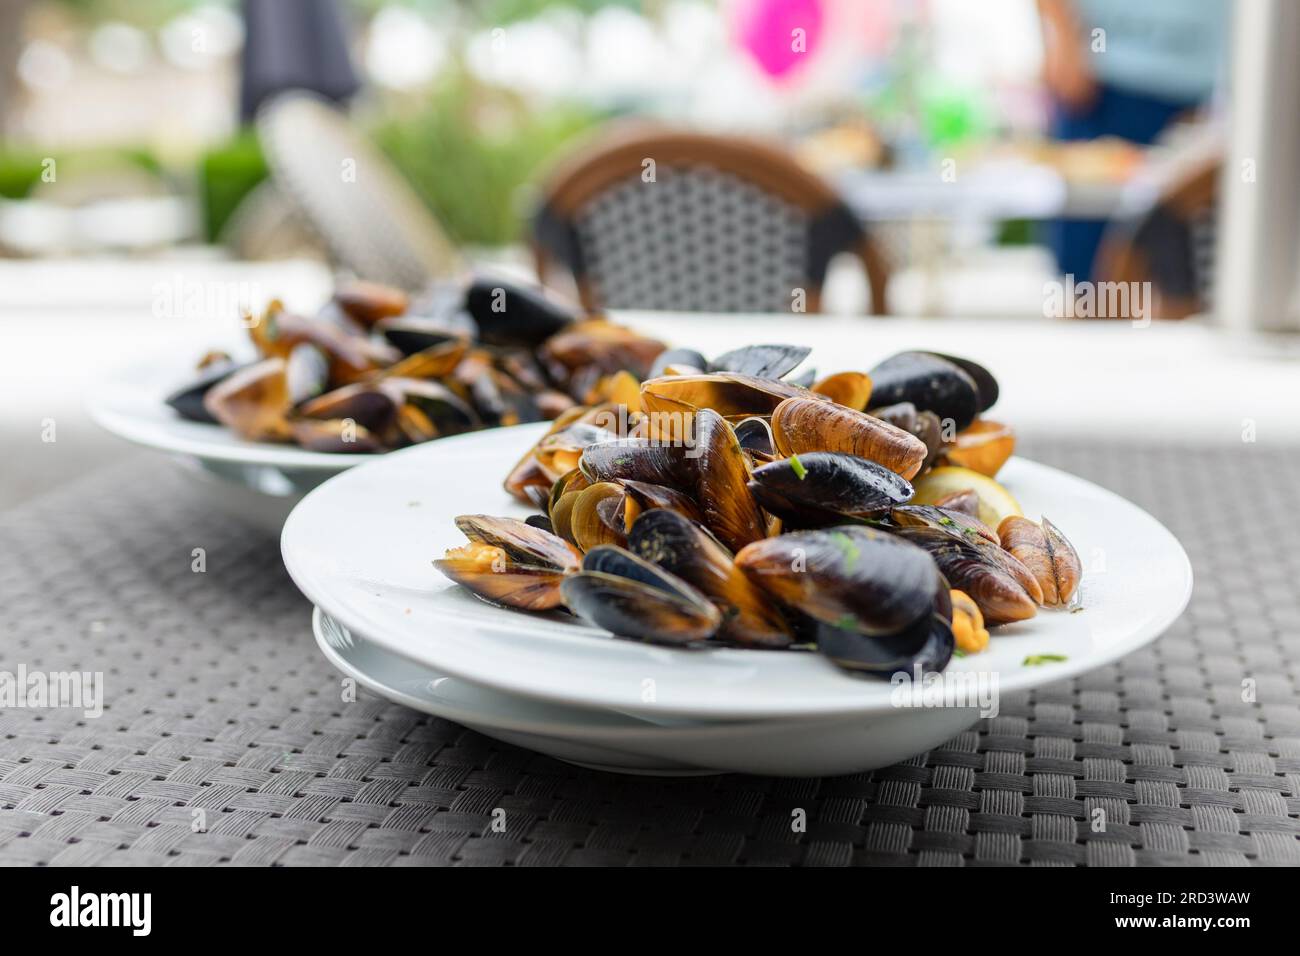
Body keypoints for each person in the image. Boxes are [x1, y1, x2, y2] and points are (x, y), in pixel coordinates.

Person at [1037, 0, 1227, 282]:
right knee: (1089, 277)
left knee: (1182, 269)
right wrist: (1063, 41)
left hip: (1200, 89)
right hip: (1103, 80)